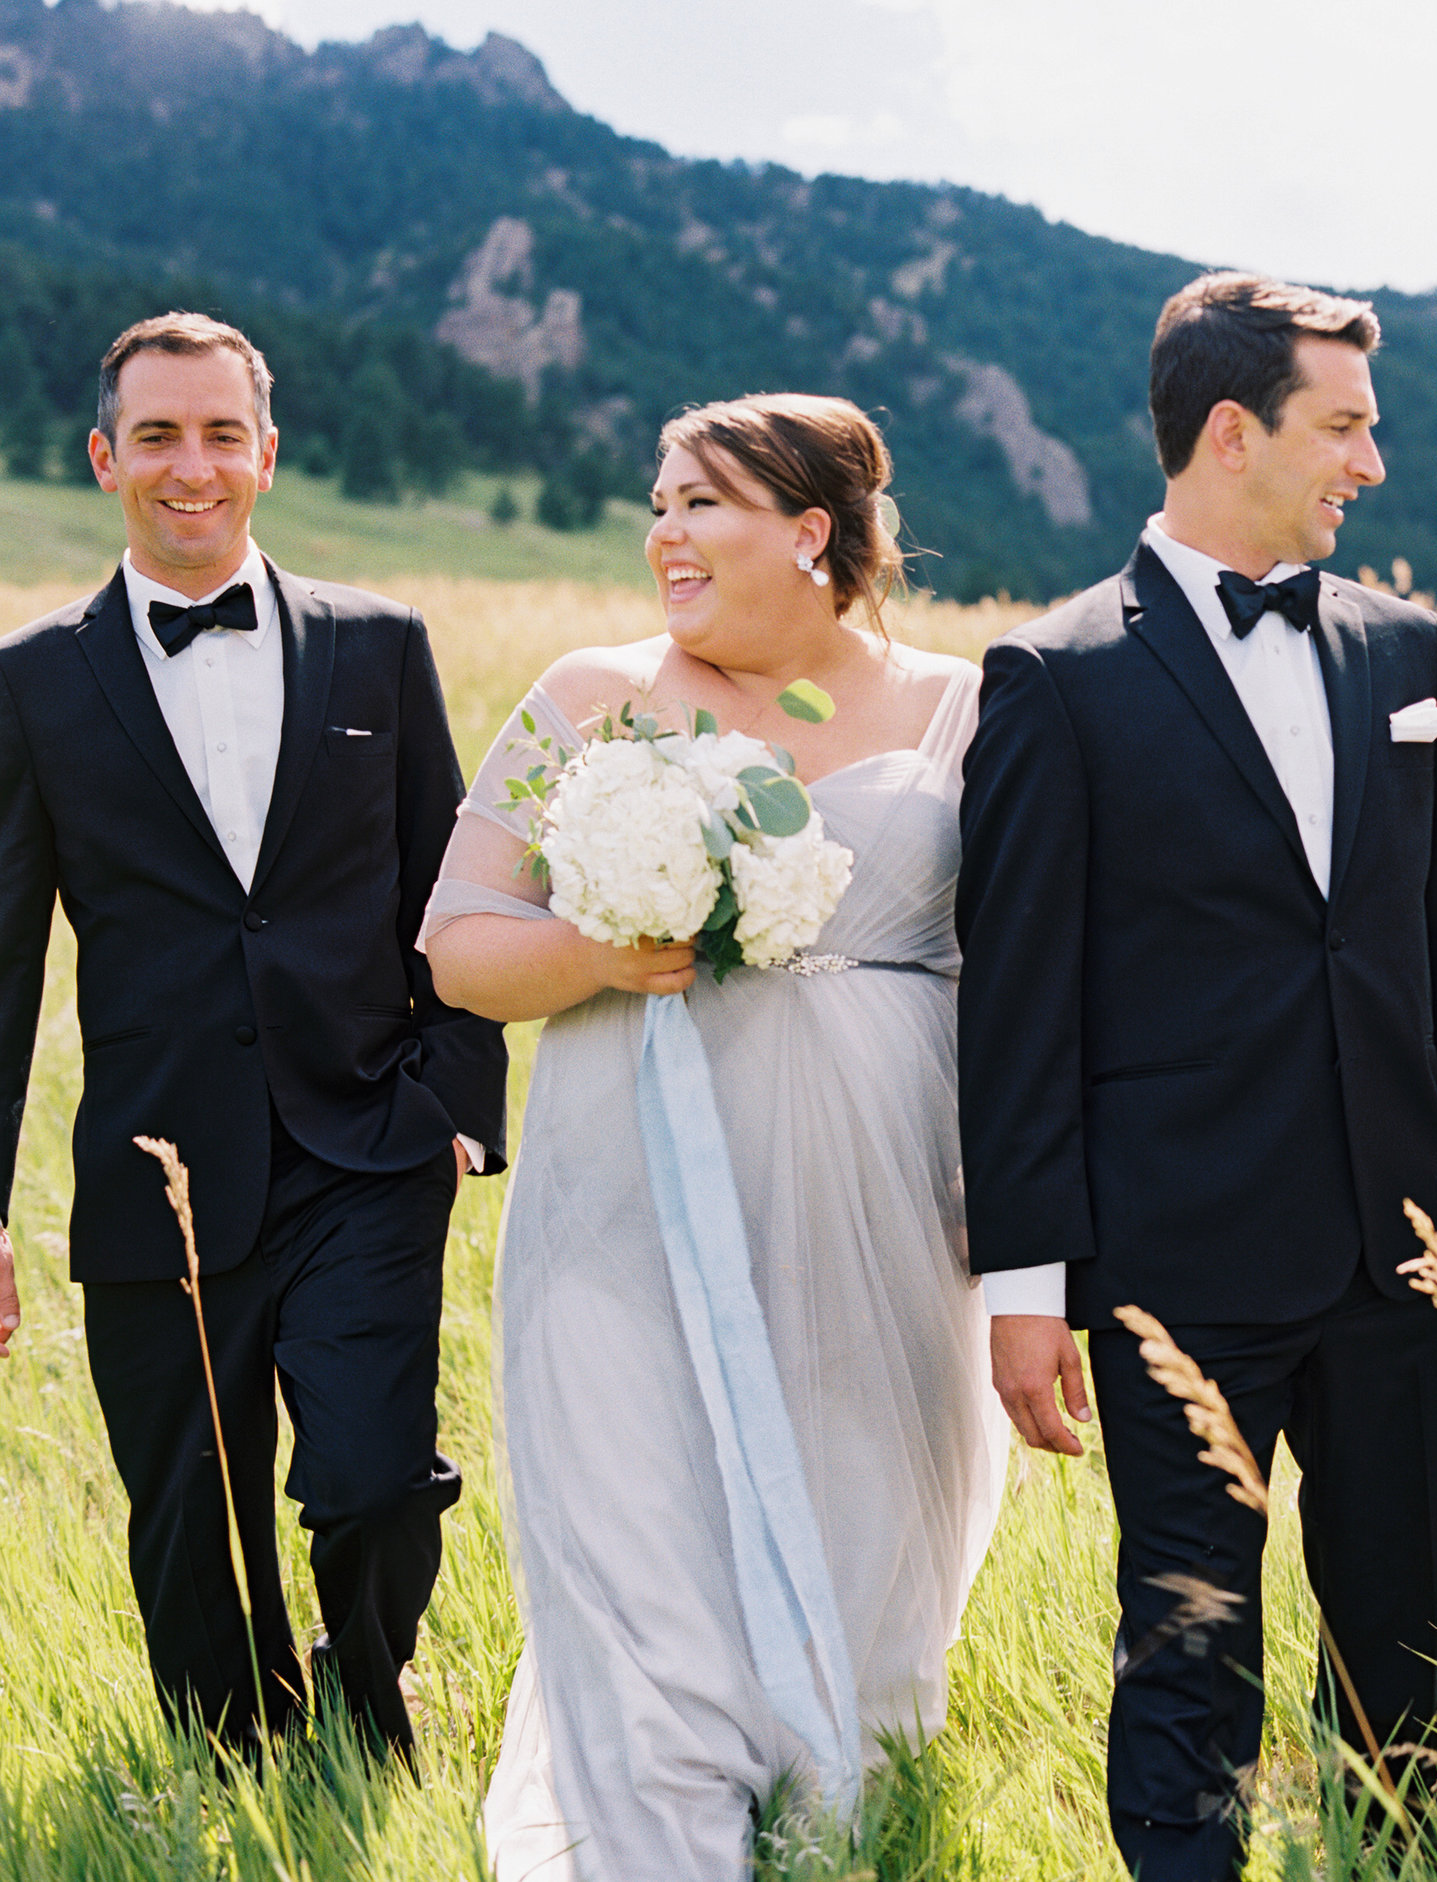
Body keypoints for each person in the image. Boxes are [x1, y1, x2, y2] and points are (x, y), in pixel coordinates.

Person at [956, 272, 1437, 1881]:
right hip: (1177, 1256)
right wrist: (1026, 1280)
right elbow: (1016, 1011)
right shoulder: (1054, 675)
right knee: (1190, 1642)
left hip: (1396, 1242)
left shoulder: (1409, 646)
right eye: (1344, 425)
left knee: (1398, 1649)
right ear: (1232, 431)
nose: (1373, 460)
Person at [422, 393, 1003, 1879]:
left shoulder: (969, 703)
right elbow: (458, 944)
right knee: (634, 1526)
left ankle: (829, 1820)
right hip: (623, 1198)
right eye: (660, 500)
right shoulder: (591, 694)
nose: (662, 533)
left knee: (869, 1542)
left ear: (811, 531)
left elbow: (1028, 968)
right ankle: (659, 1839)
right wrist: (602, 951)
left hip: (881, 1206)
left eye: (702, 503)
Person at [0, 313, 506, 1753]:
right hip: (154, 1164)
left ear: (268, 454)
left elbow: (445, 892)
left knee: (375, 1480)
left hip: (368, 1143)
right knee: (193, 1545)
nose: (191, 464)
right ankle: (240, 1768)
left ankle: (367, 1711)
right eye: (156, 433)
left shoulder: (381, 647)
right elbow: (2, 959)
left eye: (221, 432)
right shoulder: (30, 682)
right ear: (105, 458)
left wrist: (461, 1106)